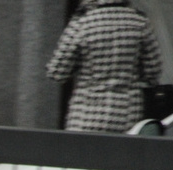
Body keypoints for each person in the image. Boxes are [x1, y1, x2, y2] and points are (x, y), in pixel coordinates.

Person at [46, 0, 164, 132]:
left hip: (85, 116)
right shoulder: (140, 22)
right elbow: (153, 73)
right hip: (126, 116)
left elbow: (57, 72)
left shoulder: (83, 23)